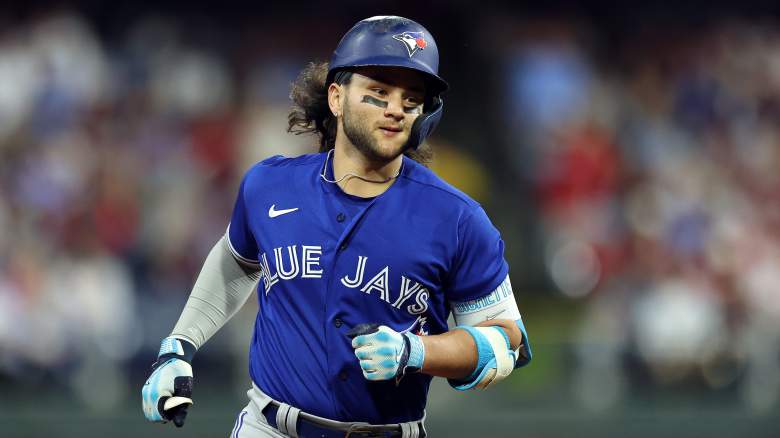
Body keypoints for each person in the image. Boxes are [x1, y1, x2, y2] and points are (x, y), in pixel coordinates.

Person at [142, 15, 532, 438]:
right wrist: (178, 347)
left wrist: (418, 350)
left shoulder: (457, 219)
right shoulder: (269, 185)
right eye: (379, 92)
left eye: (411, 98)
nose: (396, 109)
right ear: (336, 97)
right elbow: (237, 263)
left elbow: (507, 343)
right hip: (270, 427)